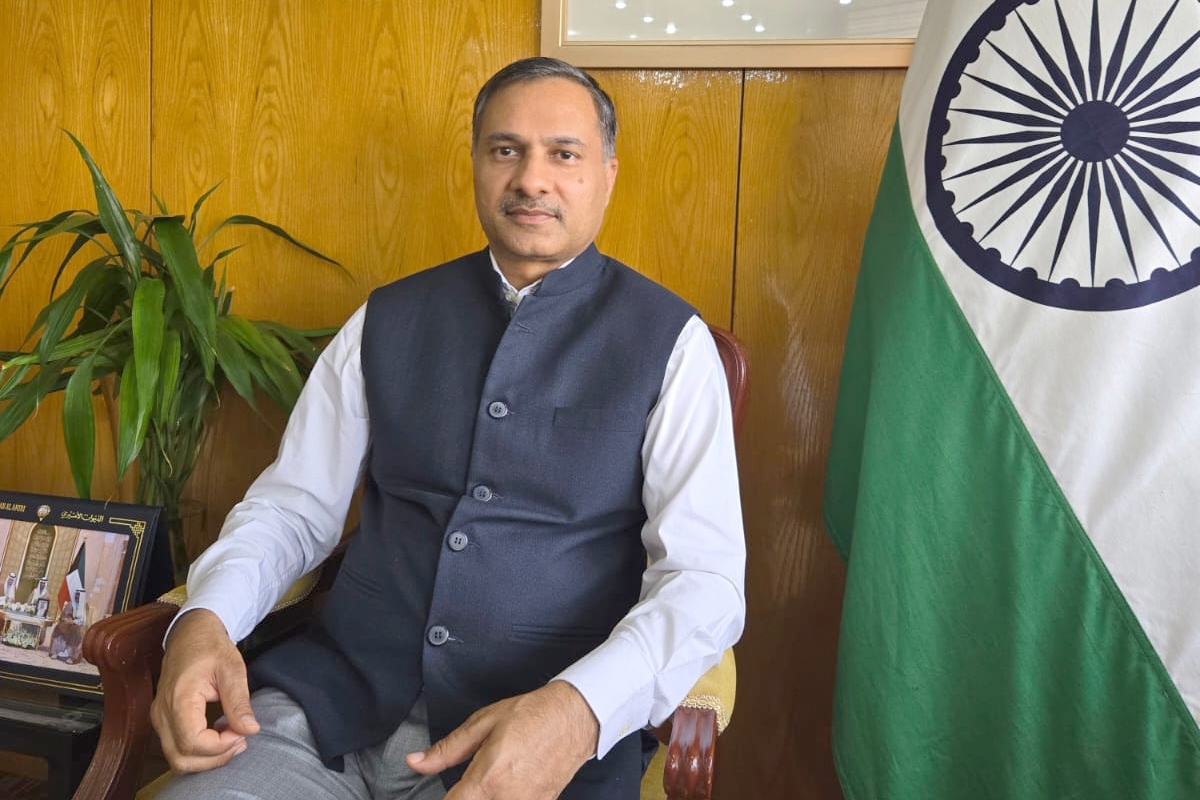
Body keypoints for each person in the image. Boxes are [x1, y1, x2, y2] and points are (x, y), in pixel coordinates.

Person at [150, 57, 745, 800]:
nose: (531, 179)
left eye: (564, 154)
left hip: (536, 737)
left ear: (607, 175)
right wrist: (204, 617)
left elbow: (703, 580)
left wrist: (578, 711)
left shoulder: (672, 344)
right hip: (334, 711)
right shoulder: (386, 319)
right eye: (506, 150)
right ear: (477, 165)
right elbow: (292, 510)